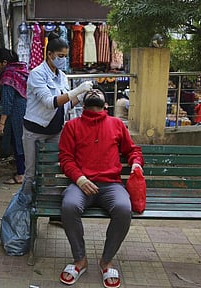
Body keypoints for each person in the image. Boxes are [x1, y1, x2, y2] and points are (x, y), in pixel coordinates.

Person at [58, 85, 144, 287]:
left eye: (99, 92)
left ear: (106, 104)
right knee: (69, 206)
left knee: (124, 209)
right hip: (81, 184)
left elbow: (132, 150)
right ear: (84, 103)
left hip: (111, 185)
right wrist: (80, 179)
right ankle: (80, 259)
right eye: (91, 92)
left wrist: (136, 163)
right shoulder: (72, 126)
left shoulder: (116, 124)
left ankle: (106, 261)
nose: (94, 92)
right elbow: (66, 158)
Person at [21, 32, 93, 197]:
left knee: (51, 170)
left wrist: (81, 96)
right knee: (31, 173)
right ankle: (24, 206)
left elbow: (65, 104)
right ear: (49, 54)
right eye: (60, 56)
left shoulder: (62, 76)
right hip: (35, 130)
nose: (63, 60)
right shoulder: (37, 74)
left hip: (55, 131)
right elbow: (50, 102)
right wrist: (77, 90)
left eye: (65, 56)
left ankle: (46, 203)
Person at [0, 48, 29, 185]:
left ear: (4, 62)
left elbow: (7, 103)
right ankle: (26, 171)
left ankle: (21, 174)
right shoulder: (21, 70)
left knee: (18, 143)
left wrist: (1, 123)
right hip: (27, 111)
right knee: (24, 143)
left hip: (17, 114)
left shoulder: (8, 76)